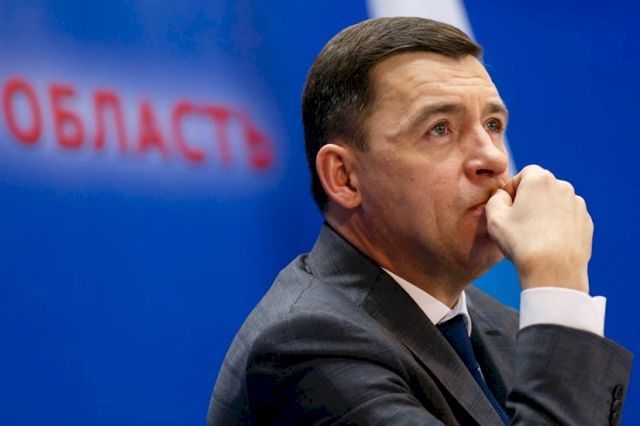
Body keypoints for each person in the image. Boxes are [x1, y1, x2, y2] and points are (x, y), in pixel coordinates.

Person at [207, 17, 632, 425]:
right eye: (440, 129)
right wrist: (558, 284)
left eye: (492, 124)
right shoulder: (307, 346)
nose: (494, 158)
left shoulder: (501, 325)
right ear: (345, 177)